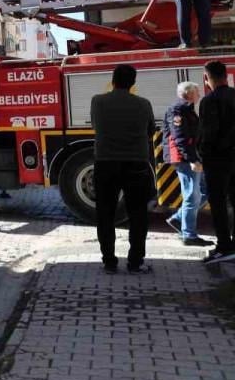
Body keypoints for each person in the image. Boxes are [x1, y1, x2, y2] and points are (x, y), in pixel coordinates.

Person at [90, 64, 156, 274]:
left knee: (105, 213)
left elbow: (95, 126)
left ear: (113, 80)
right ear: (133, 83)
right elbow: (150, 130)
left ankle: (109, 262)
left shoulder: (97, 101)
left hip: (105, 163)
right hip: (136, 164)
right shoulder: (143, 104)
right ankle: (135, 262)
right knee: (138, 214)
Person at [163, 81, 212, 247]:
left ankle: (178, 219)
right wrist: (192, 160)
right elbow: (180, 138)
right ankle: (189, 235)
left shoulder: (187, 109)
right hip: (185, 159)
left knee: (205, 190)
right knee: (192, 195)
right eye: (197, 92)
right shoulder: (178, 110)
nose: (199, 95)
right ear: (189, 94)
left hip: (192, 157)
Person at [198, 60, 235, 263]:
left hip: (218, 160)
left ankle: (224, 246)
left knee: (218, 203)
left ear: (207, 77)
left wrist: (203, 153)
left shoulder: (210, 100)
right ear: (226, 75)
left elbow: (209, 133)